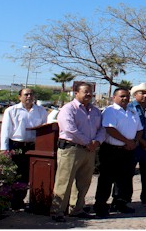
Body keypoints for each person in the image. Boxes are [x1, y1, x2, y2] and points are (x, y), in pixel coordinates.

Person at [49, 82, 105, 222]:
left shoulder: (96, 111)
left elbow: (102, 129)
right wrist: (88, 142)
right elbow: (69, 129)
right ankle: (57, 211)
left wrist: (96, 142)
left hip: (89, 151)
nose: (88, 94)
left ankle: (76, 209)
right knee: (64, 181)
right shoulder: (68, 109)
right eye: (85, 91)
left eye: (90, 92)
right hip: (71, 149)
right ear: (76, 93)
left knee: (84, 182)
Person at [94, 88, 143, 216]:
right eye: (122, 96)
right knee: (106, 179)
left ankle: (120, 203)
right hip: (111, 150)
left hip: (128, 150)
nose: (125, 99)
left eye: (127, 96)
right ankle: (100, 205)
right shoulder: (110, 111)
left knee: (125, 179)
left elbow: (139, 129)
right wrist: (127, 141)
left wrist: (134, 142)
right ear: (114, 97)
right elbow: (110, 129)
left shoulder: (132, 111)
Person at [0, 88, 48, 210]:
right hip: (16, 145)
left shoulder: (41, 111)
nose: (29, 96)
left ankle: (26, 201)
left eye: (31, 94)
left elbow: (45, 128)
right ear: (19, 97)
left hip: (33, 146)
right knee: (15, 174)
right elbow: (5, 131)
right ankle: (12, 201)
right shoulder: (11, 110)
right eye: (26, 94)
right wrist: (4, 149)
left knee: (28, 175)